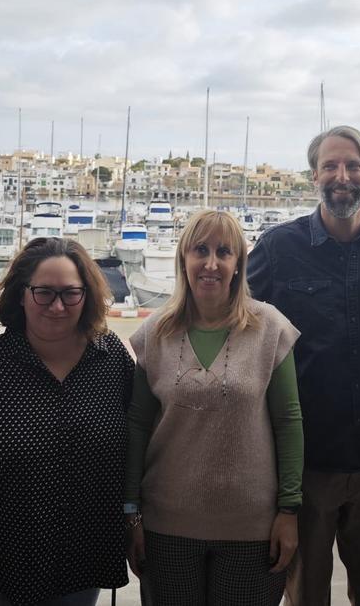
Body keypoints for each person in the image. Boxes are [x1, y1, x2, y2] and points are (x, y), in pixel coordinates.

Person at [247, 125, 360, 606]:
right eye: (330, 166)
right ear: (314, 176)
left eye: (352, 166)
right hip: (306, 464)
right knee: (305, 596)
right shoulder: (277, 249)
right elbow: (235, 326)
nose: (341, 176)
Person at [0, 236, 134, 606]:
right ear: (21, 294)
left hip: (83, 564)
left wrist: (134, 524)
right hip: (3, 569)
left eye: (70, 293)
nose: (57, 306)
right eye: (44, 293)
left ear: (87, 296)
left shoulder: (111, 359)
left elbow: (134, 455)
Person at [125, 209, 303, 606]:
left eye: (224, 252)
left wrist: (289, 510)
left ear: (238, 263)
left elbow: (288, 422)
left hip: (251, 529)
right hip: (166, 527)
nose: (211, 263)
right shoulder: (155, 332)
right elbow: (138, 424)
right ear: (183, 259)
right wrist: (131, 511)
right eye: (200, 250)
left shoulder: (269, 328)